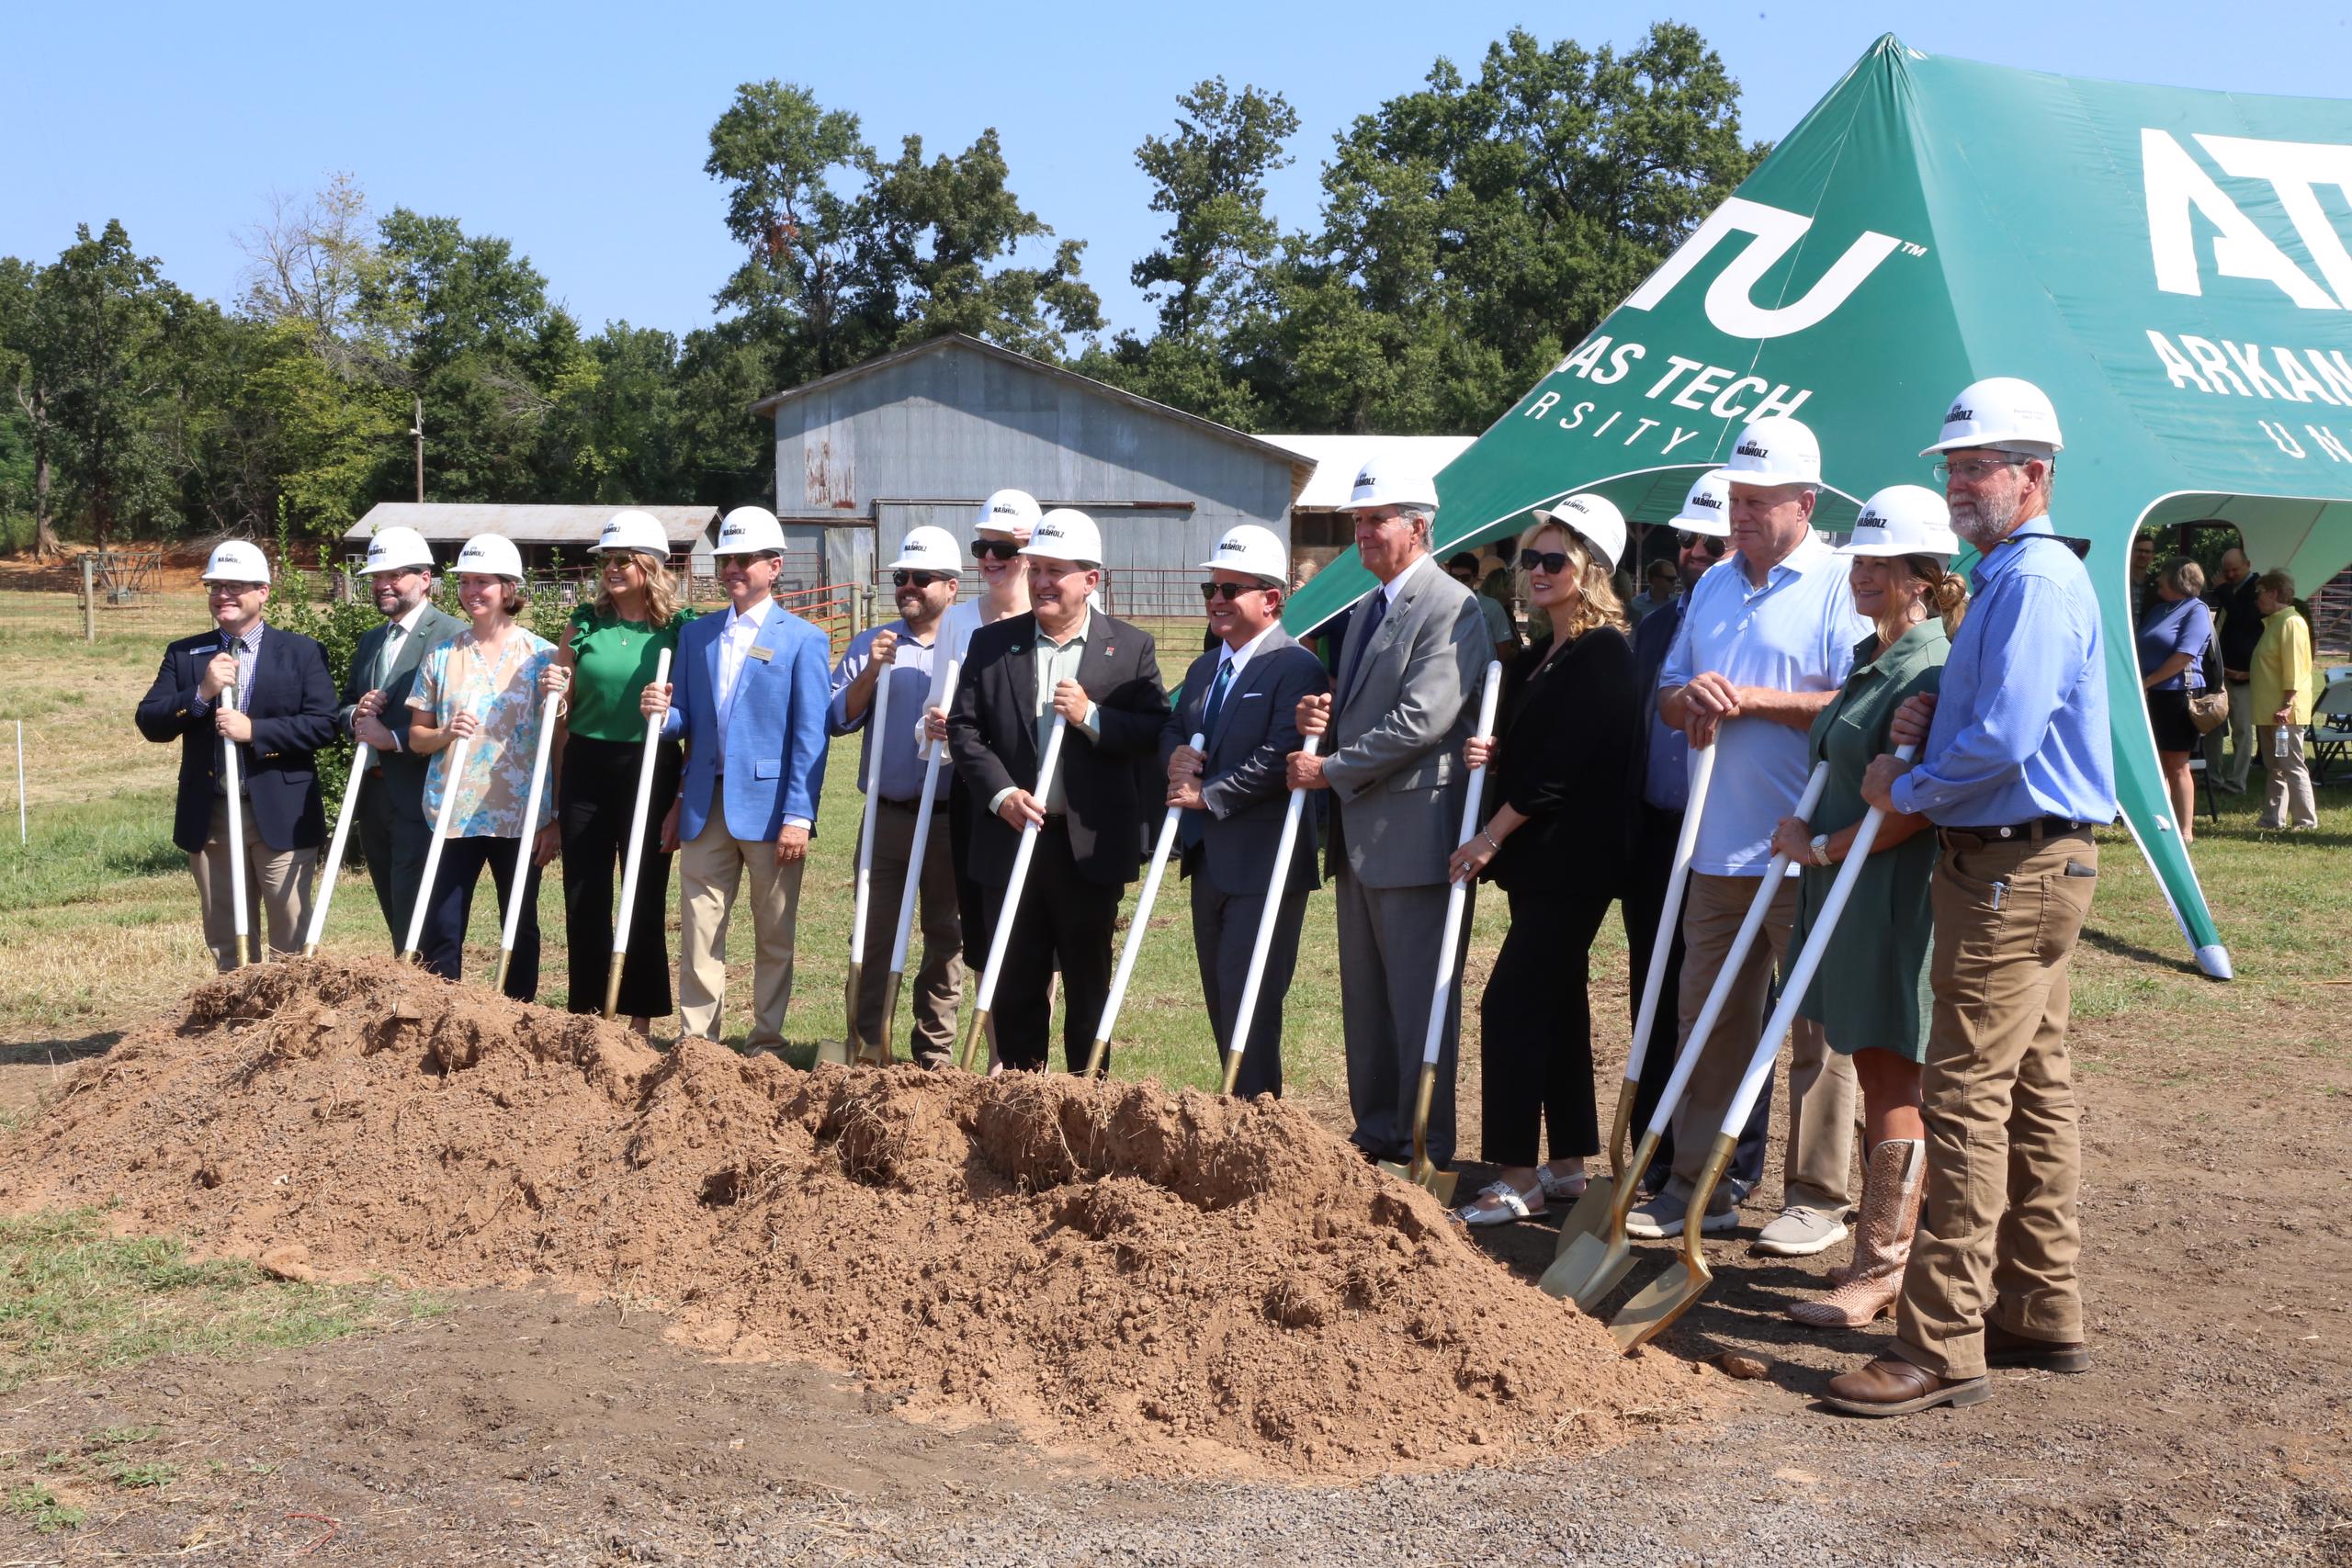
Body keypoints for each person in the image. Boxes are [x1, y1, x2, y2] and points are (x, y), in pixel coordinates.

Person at [1829, 376, 2115, 1416]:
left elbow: (2005, 737)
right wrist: (1926, 715)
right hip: (2023, 860)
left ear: (2033, 475)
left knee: (1961, 1094)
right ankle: (2039, 1307)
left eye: (1975, 466)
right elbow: (1983, 715)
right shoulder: (2015, 577)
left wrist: (1905, 782)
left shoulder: (2030, 584)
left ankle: (1939, 1343)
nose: (1957, 483)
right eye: (1951, 467)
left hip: (2011, 862)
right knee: (2035, 1088)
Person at [1642, 415, 1869, 1254]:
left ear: (1804, 504)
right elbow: (1670, 694)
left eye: (1759, 501)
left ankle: (1816, 1195)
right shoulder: (1710, 586)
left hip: (1806, 843)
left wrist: (1751, 699)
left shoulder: (1842, 584)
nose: (1739, 514)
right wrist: (1690, 698)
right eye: (1736, 498)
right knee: (1706, 1022)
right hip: (1718, 842)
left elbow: (1858, 704)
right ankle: (1697, 1183)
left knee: (1817, 1029)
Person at [1763, 486, 1965, 1326]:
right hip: (1839, 885)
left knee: (1889, 1068)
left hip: (1886, 891)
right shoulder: (1871, 656)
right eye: (1861, 562)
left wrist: (1824, 846)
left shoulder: (1926, 666)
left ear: (1923, 576)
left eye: (1884, 564)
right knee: (1869, 1060)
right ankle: (1880, 1254)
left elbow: (1910, 803)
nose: (1865, 575)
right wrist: (1807, 830)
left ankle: (1884, 1267)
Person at [1445, 496, 1641, 1226]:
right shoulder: (1541, 653)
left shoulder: (1605, 654)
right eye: (1530, 558)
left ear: (1591, 569)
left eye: (1554, 559)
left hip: (1575, 860)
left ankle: (1515, 1175)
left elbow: (1562, 769)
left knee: (1511, 1002)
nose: (1536, 571)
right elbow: (1535, 747)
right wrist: (1496, 753)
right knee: (1557, 1004)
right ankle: (1565, 1166)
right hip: (1541, 861)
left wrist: (1489, 835)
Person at [1287, 453, 1486, 1170]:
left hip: (1414, 834)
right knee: (1367, 1002)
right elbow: (1373, 707)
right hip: (1363, 834)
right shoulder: (1368, 605)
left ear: (1420, 527)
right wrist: (1326, 715)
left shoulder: (1452, 606)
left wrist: (1329, 767)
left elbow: (1423, 718)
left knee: (1418, 1001)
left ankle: (1425, 1143)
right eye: (1358, 521)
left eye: (1376, 520)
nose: (1363, 533)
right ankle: (1375, 1133)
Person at [946, 508, 1170, 1072]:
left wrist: (1094, 716)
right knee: (1016, 978)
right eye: (1037, 568)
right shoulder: (993, 644)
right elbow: (964, 729)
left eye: (1057, 572)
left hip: (1087, 848)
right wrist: (1001, 796)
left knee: (1088, 981)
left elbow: (1152, 730)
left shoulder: (1131, 648)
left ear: (1090, 580)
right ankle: (1020, 1101)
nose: (1044, 582)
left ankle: (1085, 1097)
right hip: (1012, 838)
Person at [1622, 476, 1772, 1202]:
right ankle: (1657, 1145)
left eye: (1709, 542)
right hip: (1662, 832)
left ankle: (1733, 1157)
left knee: (1739, 1004)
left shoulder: (1751, 614)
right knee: (1663, 995)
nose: (1693, 552)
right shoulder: (1657, 624)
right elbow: (1649, 715)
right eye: (1686, 539)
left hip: (1738, 835)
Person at [642, 505, 831, 1050]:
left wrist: (799, 814)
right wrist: (660, 714)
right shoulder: (697, 635)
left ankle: (767, 1039)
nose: (733, 569)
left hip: (773, 810)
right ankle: (698, 1041)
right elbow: (685, 721)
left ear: (775, 566)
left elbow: (809, 738)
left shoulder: (803, 640)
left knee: (774, 932)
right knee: (700, 929)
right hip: (706, 802)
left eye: (745, 560)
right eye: (727, 559)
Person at [1162, 525, 1329, 1098]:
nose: (1216, 600)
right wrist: (1175, 758)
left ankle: (1260, 1117)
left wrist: (1210, 796)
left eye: (1231, 589)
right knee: (1219, 991)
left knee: (1250, 991)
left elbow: (1282, 752)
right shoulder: (1206, 669)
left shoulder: (1296, 665)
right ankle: (1237, 1109)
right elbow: (1174, 726)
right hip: (1209, 860)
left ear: (1271, 598)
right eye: (1211, 588)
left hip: (1266, 861)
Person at [136, 540, 337, 970]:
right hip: (211, 816)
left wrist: (255, 731)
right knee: (228, 938)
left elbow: (324, 724)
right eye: (215, 586)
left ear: (263, 591)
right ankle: (236, 1027)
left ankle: (289, 1028)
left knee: (292, 937)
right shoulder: (185, 653)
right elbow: (150, 721)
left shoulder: (301, 652)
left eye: (236, 586)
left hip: (281, 815)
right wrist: (201, 694)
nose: (223, 594)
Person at [542, 511, 694, 1032]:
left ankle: (640, 1016)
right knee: (584, 890)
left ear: (649, 565)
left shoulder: (680, 628)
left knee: (643, 888)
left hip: (650, 763)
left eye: (622, 559)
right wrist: (556, 698)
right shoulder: (584, 622)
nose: (611, 568)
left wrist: (680, 796)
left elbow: (693, 715)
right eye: (606, 559)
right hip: (587, 762)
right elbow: (566, 705)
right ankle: (587, 1013)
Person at [830, 525, 967, 1066]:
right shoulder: (873, 643)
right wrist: (872, 670)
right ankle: (866, 1046)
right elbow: (837, 717)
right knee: (872, 932)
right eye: (900, 577)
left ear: (951, 586)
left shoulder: (968, 645)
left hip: (950, 818)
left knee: (945, 936)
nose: (907, 586)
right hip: (886, 817)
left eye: (921, 579)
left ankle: (933, 1056)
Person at [403, 533, 559, 998]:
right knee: (443, 926)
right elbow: (416, 738)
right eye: (466, 582)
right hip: (453, 815)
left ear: (509, 588)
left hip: (520, 816)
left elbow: (559, 739)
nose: (473, 591)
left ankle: (517, 1019)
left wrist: (555, 817)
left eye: (483, 582)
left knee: (520, 925)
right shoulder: (443, 655)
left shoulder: (543, 656)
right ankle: (441, 1016)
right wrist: (446, 733)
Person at [921, 489, 1039, 1061]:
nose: (989, 559)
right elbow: (937, 706)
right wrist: (936, 725)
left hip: (1038, 797)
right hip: (975, 794)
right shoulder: (960, 621)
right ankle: (997, 1056)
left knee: (1037, 930)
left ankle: (1030, 1054)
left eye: (1002, 548)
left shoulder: (1050, 613)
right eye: (981, 547)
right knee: (987, 929)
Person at [338, 525, 465, 949]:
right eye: (376, 577)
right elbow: (346, 705)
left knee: (422, 912)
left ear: (425, 578)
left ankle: (429, 996)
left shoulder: (452, 636)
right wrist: (356, 714)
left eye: (394, 575)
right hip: (374, 796)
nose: (382, 585)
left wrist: (391, 736)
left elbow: (455, 720)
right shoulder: (373, 639)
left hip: (421, 793)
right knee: (394, 907)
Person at [2137, 556, 2213, 846]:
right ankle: (2160, 823)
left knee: (2177, 763)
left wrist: (2148, 682)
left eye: (2163, 576)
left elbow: (2184, 655)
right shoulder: (2159, 610)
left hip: (2177, 695)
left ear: (2177, 580)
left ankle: (2185, 831)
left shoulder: (2197, 610)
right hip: (2152, 694)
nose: (2157, 581)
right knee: (2156, 762)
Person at [2249, 570, 2317, 831]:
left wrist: (2287, 704)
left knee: (2290, 764)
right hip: (2270, 712)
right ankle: (2272, 818)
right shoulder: (2274, 622)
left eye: (2260, 592)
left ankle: (2305, 821)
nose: (2256, 599)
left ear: (2274, 593)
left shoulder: (2291, 622)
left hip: (2283, 713)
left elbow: (2295, 669)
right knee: (2276, 766)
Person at [2203, 545, 2263, 794]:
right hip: (2221, 669)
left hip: (2241, 672)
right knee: (2212, 725)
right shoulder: (2229, 588)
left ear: (2248, 565)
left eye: (2235, 569)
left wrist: (2224, 590)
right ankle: (2213, 777)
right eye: (2226, 571)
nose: (2230, 575)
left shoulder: (2257, 589)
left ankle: (2237, 781)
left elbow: (2242, 618)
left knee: (2241, 728)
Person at [1447, 550, 1521, 665]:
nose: (1459, 582)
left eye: (1465, 578)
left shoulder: (1492, 607)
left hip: (1484, 677)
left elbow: (1503, 652)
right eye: (1454, 577)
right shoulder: (1443, 605)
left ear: (1475, 578)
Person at [1629, 558, 1681, 624]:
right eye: (1670, 579)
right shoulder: (1635, 605)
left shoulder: (1679, 604)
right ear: (1655, 579)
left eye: (1675, 578)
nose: (1674, 582)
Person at [2129, 530, 2157, 620]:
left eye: (2147, 551)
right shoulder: (2121, 582)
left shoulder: (2157, 585)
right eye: (2139, 550)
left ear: (2153, 555)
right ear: (2131, 552)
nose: (2143, 555)